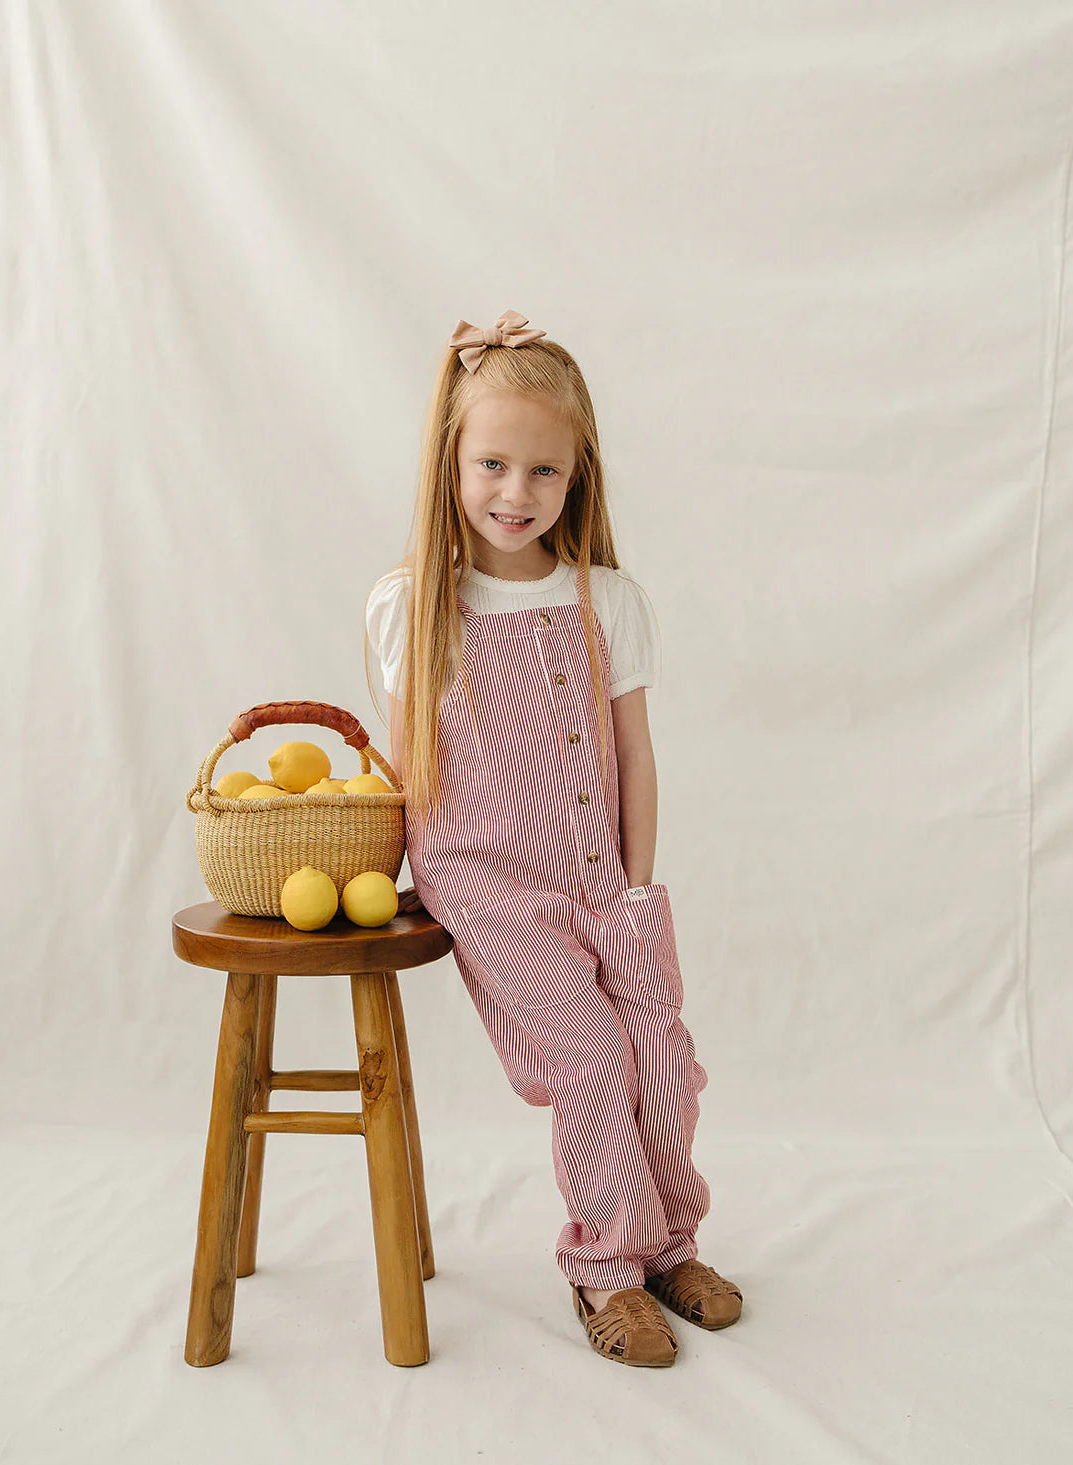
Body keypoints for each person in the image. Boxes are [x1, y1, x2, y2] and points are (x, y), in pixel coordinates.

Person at [363, 309, 742, 1367]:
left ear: (577, 480)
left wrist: (634, 890)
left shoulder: (607, 600)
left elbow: (634, 756)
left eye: (543, 472)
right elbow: (406, 772)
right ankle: (604, 1268)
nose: (514, 494)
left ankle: (669, 1244)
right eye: (491, 463)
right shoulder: (411, 605)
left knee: (660, 1061)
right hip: (485, 883)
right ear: (451, 461)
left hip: (604, 883)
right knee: (588, 1054)